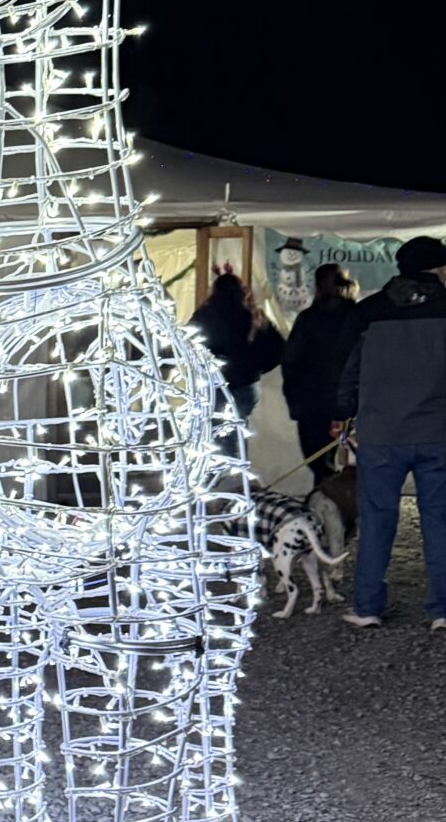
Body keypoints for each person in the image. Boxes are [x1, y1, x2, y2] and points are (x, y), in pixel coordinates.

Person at [332, 233, 446, 632]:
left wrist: (342, 415)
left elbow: (347, 370)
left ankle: (366, 607)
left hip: (380, 432)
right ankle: (442, 610)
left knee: (377, 520)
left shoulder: (368, 311)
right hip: (439, 432)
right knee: (440, 520)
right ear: (439, 269)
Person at [280, 262, 358, 480]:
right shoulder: (356, 316)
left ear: (317, 286)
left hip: (311, 400)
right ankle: (347, 505)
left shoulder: (308, 318)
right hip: (351, 400)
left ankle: (324, 503)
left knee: (318, 462)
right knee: (350, 461)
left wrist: (294, 402)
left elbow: (290, 362)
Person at [189, 268, 285, 438]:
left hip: (215, 385)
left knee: (217, 437)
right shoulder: (250, 316)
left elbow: (188, 346)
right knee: (234, 435)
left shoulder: (204, 316)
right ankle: (236, 461)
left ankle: (229, 462)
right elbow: (278, 349)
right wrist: (257, 367)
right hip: (245, 385)